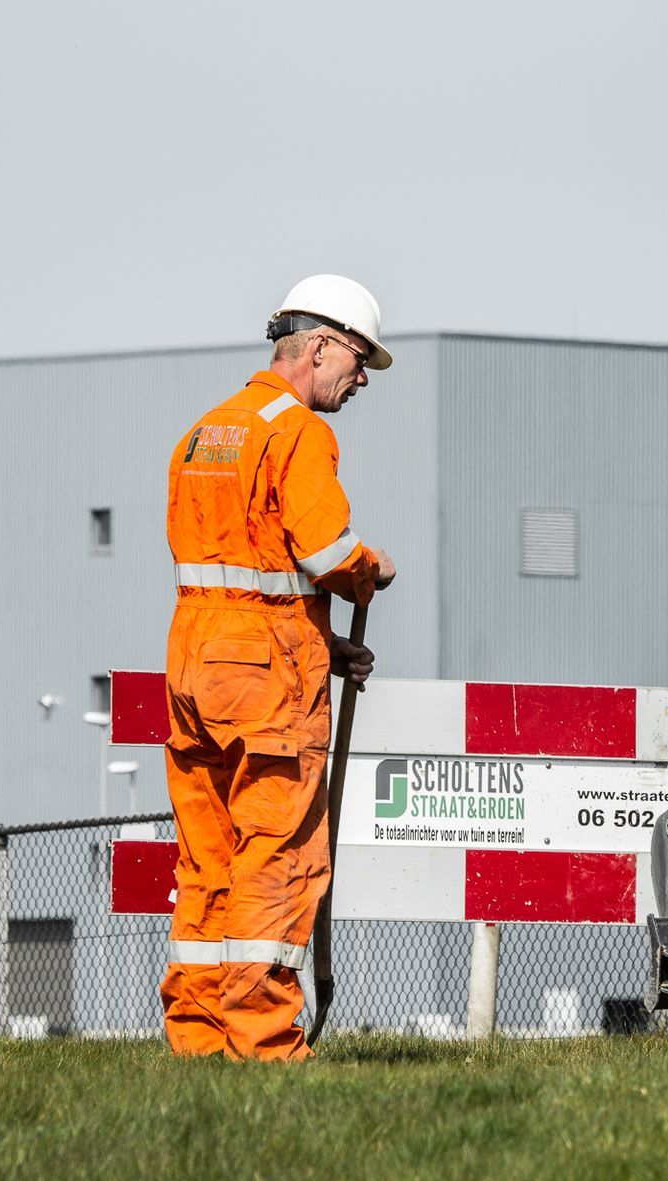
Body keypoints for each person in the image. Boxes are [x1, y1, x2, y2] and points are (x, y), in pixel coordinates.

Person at [160, 275, 396, 1061]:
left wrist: (323, 648)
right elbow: (323, 552)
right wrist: (369, 572)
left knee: (209, 855)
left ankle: (198, 1035)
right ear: (320, 345)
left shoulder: (207, 430)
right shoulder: (297, 431)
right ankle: (262, 1041)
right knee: (278, 853)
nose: (360, 379)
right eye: (358, 360)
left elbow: (240, 573)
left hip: (196, 665)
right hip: (263, 685)